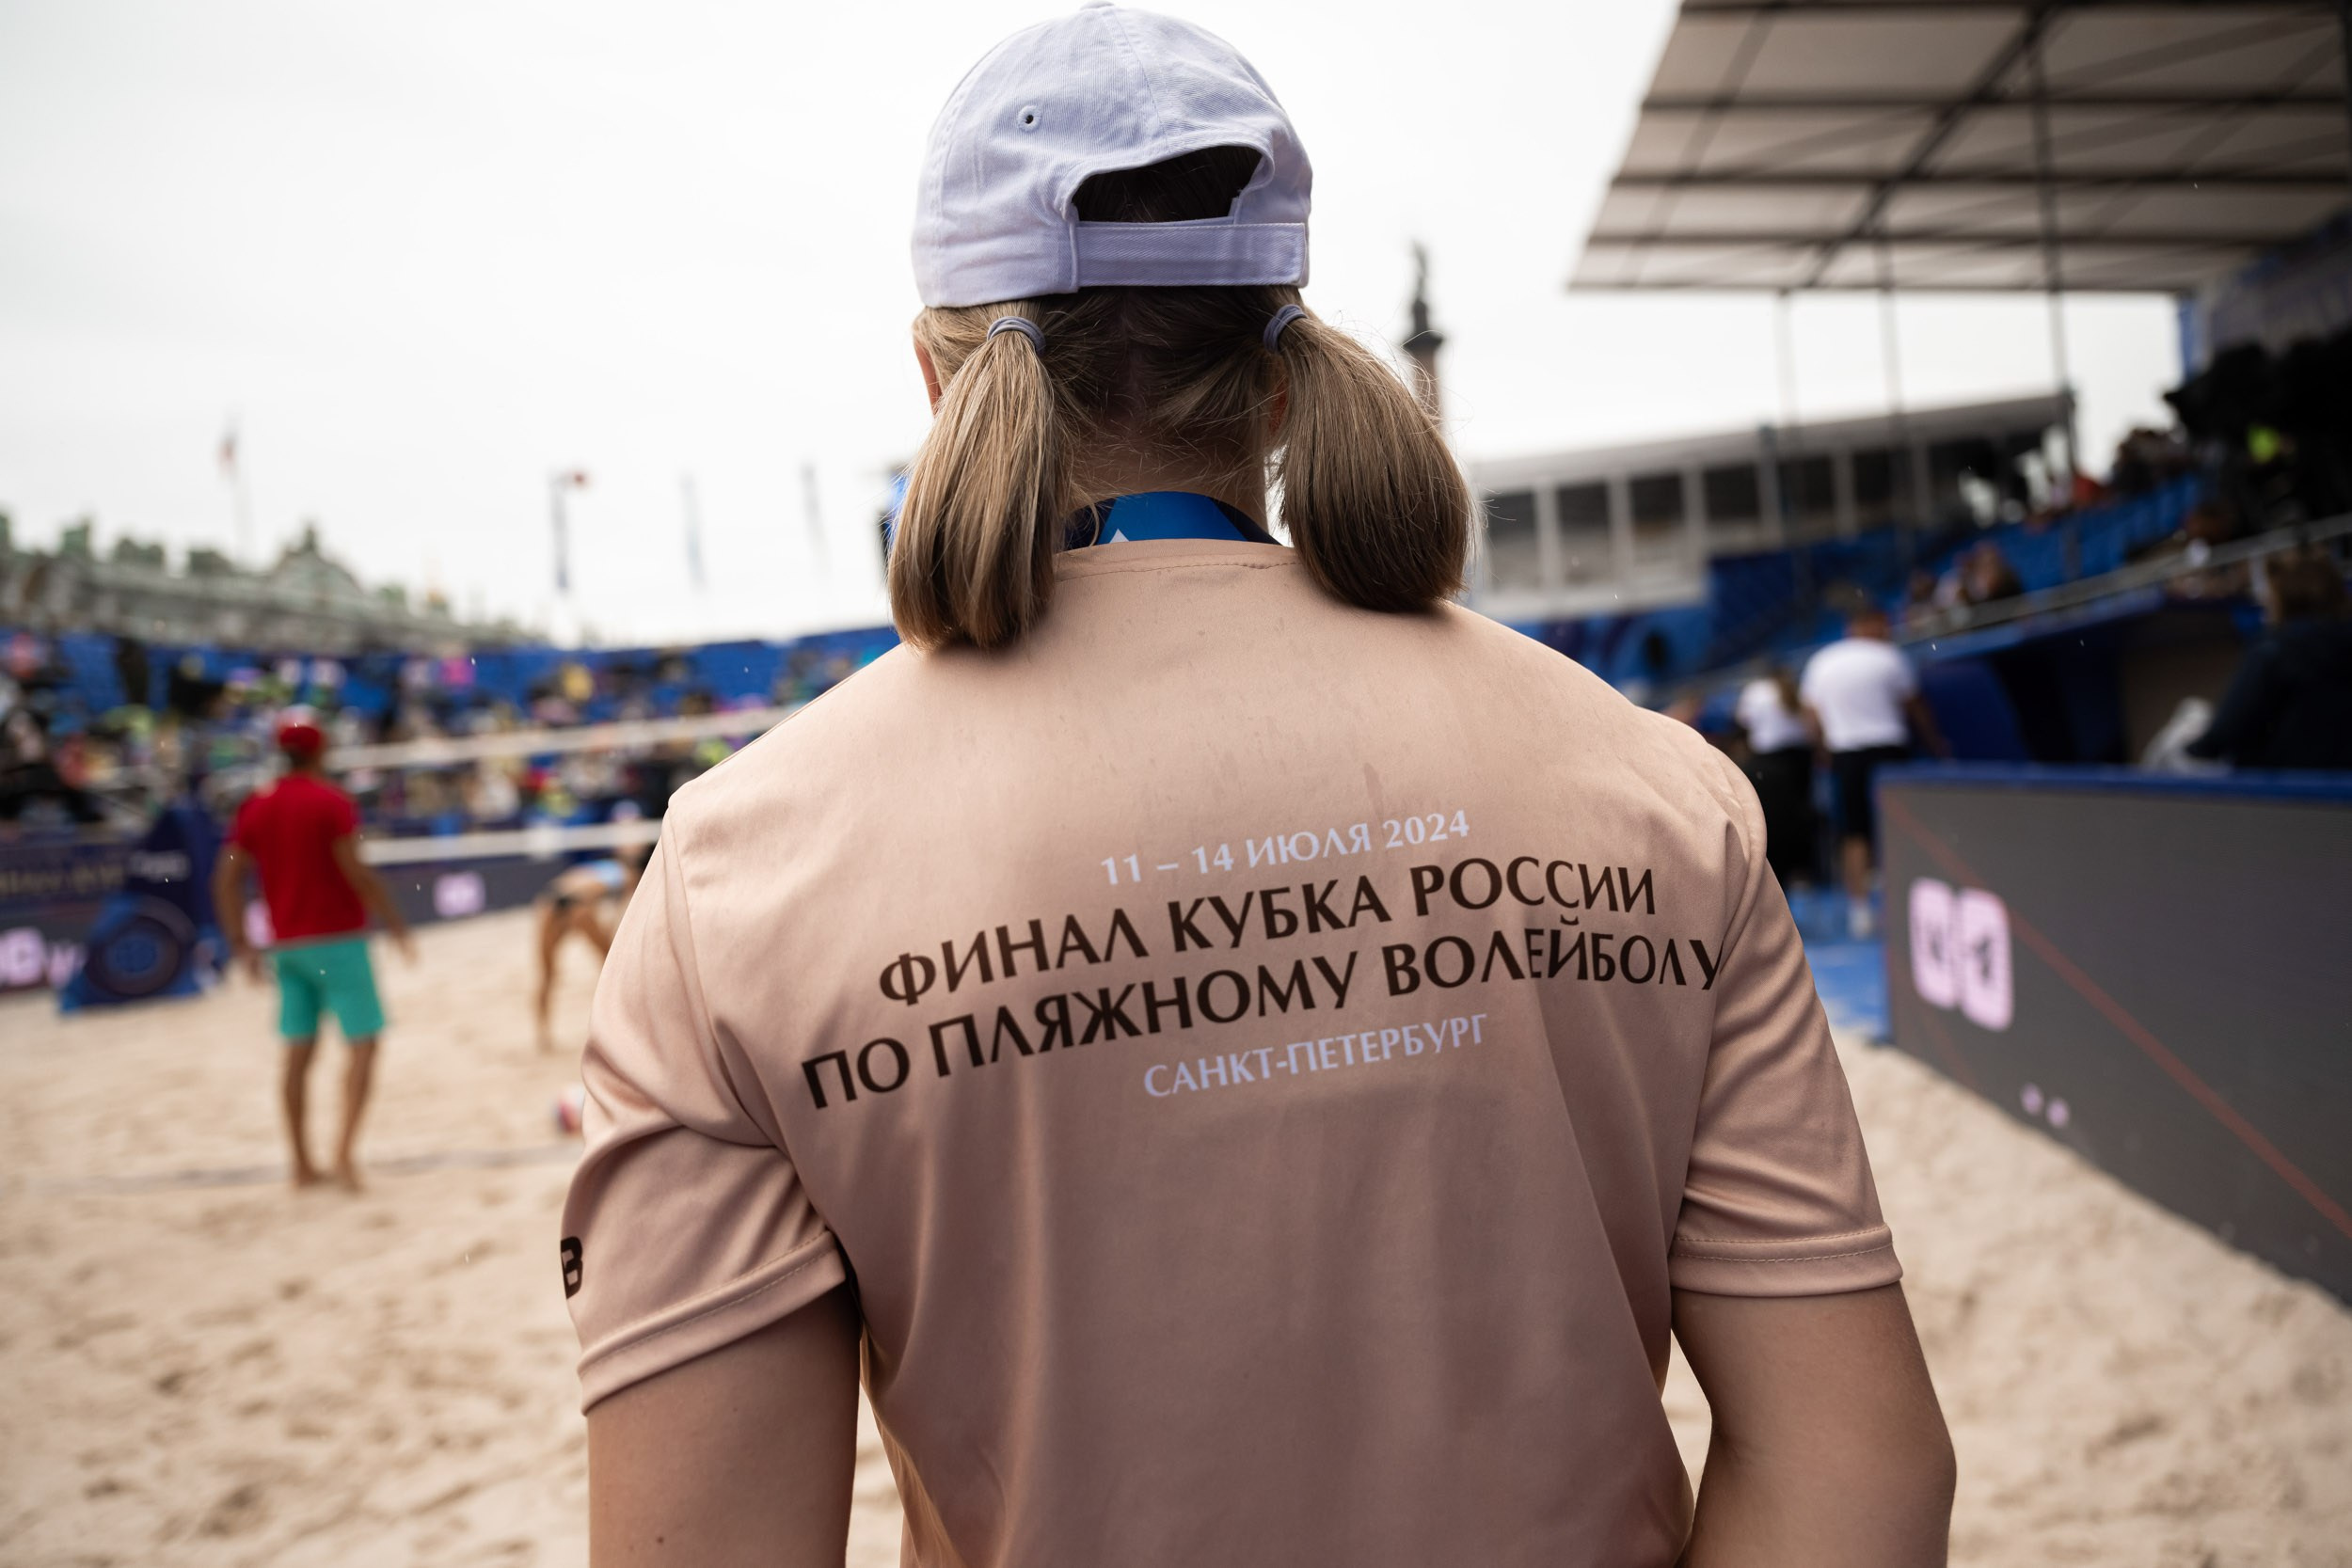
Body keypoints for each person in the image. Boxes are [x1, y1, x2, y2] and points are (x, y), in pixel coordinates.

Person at [565, 9, 1953, 1566]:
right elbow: (1864, 1473)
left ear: (937, 377)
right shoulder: (1650, 785)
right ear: (1282, 378)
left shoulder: (738, 879)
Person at [211, 717, 413, 1189]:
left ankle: (301, 1164)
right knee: (363, 1046)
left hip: (285, 946)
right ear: (321, 752)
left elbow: (225, 878)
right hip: (338, 939)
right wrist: (395, 921)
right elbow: (355, 871)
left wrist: (239, 940)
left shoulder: (257, 805)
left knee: (297, 1055)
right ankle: (343, 1155)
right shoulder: (331, 801)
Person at [1800, 606, 1949, 940]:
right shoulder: (1890, 657)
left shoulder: (1823, 661)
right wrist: (1937, 745)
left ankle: (1861, 911)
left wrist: (1823, 750)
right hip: (1888, 750)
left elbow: (1810, 715)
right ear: (1869, 625)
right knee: (1896, 828)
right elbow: (1915, 706)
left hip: (1846, 753)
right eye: (1884, 625)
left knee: (1854, 833)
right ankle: (1902, 907)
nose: (1888, 631)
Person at [2186, 547, 2352, 770]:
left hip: (2282, 783)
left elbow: (2225, 732)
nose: (2265, 601)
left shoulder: (2275, 649)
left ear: (2282, 596)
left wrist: (2194, 747)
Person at [533, 850, 642, 1053]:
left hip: (550, 902)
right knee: (610, 968)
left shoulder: (597, 869)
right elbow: (620, 909)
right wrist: (608, 928)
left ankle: (543, 1035)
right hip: (578, 904)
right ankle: (617, 1025)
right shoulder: (626, 874)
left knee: (548, 974)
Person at [1734, 667, 1818, 890]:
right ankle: (1801, 875)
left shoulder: (1757, 691)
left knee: (1772, 821)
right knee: (1799, 816)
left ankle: (1776, 877)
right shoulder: (1795, 690)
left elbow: (1742, 723)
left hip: (1769, 762)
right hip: (1799, 760)